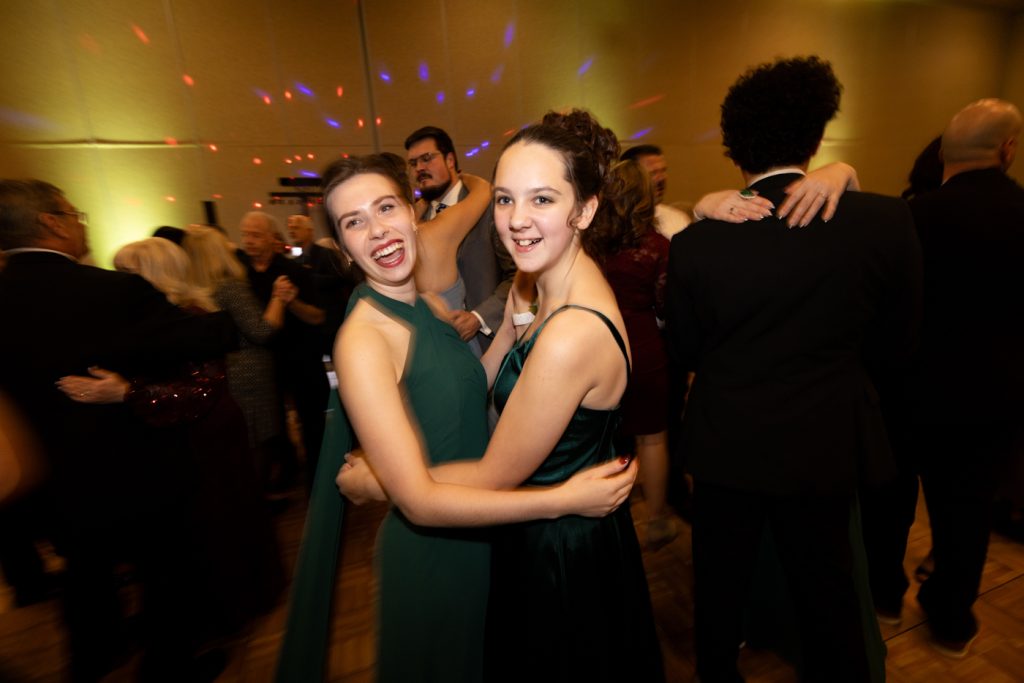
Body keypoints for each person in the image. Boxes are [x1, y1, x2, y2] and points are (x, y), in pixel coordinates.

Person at [299, 154, 638, 683]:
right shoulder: (362, 340)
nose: (378, 230)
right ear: (342, 247)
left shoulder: (429, 305)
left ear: (413, 214)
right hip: (436, 547)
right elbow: (418, 501)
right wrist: (562, 499)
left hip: (485, 525)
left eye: (385, 208)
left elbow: (461, 391)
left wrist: (509, 333)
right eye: (354, 222)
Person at [665, 56, 922, 682]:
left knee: (720, 582)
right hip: (824, 437)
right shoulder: (884, 220)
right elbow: (898, 341)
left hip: (727, 441)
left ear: (734, 146)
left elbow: (686, 350)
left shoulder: (697, 241)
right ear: (816, 135)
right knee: (828, 584)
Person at [0, 179, 236, 682]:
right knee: (163, 571)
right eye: (74, 214)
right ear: (50, 223)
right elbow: (208, 335)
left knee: (84, 575)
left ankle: (92, 660)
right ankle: (167, 669)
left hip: (47, 481)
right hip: (134, 470)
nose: (80, 224)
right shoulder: (110, 291)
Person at [58, 236, 285, 650]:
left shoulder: (191, 316)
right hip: (181, 433)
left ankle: (231, 608)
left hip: (206, 434)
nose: (117, 281)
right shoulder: (147, 320)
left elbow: (201, 392)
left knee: (218, 521)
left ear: (152, 275)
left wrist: (128, 393)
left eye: (127, 273)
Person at [905, 98, 1024, 656]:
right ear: (1008, 149)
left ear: (944, 153)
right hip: (998, 394)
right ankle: (952, 617)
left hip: (917, 388)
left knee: (896, 499)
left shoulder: (913, 217)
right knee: (970, 510)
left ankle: (882, 595)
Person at [592, 158, 676, 548]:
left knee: (606, 439)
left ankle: (611, 518)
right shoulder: (658, 246)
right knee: (653, 439)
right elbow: (666, 304)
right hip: (644, 346)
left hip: (600, 345)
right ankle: (657, 520)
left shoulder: (590, 245)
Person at [183, 224, 288, 487]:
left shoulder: (192, 290)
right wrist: (279, 298)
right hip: (248, 375)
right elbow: (261, 331)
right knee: (255, 447)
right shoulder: (229, 287)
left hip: (223, 373)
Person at [405, 125, 516, 353]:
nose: (420, 168)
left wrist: (479, 317)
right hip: (437, 350)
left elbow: (520, 275)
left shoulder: (489, 208)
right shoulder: (415, 221)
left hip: (491, 345)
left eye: (427, 159)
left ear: (450, 160)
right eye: (413, 163)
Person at [238, 211, 328, 489]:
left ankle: (320, 483)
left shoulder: (293, 271)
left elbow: (318, 316)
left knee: (312, 424)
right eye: (245, 235)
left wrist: (292, 302)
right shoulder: (239, 275)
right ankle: (285, 478)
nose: (249, 241)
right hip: (263, 365)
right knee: (272, 428)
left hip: (301, 359)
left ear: (271, 238)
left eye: (256, 235)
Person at [620, 143, 692, 238]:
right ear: (629, 177)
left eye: (663, 171)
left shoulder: (678, 220)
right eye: (652, 173)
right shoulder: (612, 224)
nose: (661, 179)